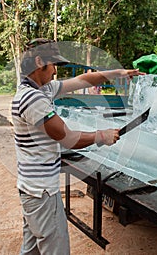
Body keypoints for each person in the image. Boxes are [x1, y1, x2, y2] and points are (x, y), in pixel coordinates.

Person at [12, 38, 145, 255]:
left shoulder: (42, 89)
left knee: (32, 248)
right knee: (56, 248)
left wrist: (119, 73)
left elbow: (83, 79)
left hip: (31, 189)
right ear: (39, 62)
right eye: (53, 64)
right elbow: (66, 137)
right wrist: (101, 136)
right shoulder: (32, 98)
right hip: (42, 191)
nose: (55, 71)